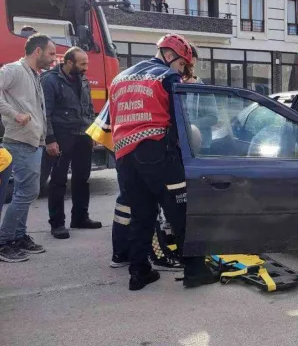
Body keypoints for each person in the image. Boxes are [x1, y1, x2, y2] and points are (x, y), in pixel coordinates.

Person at [109, 33, 217, 290]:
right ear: (169, 56)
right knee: (181, 212)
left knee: (141, 214)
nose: (182, 71)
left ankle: (139, 272)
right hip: (157, 153)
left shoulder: (120, 78)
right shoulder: (166, 77)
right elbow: (179, 121)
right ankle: (194, 270)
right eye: (181, 64)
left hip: (124, 155)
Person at [0, 34, 54, 263]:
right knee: (27, 192)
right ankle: (4, 241)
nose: (54, 58)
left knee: (27, 191)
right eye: (51, 53)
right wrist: (14, 114)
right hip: (19, 140)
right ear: (37, 51)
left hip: (33, 141)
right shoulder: (13, 70)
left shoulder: (34, 75)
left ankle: (18, 237)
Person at [41, 47, 102, 239]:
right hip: (62, 136)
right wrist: (50, 139)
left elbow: (89, 108)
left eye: (87, 63)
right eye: (82, 63)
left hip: (83, 135)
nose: (86, 67)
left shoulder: (83, 79)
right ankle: (57, 224)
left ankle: (80, 217)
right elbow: (46, 113)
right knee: (58, 181)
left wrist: (92, 133)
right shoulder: (50, 80)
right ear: (69, 62)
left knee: (82, 178)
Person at [183, 44, 218, 152]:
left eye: (192, 66)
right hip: (178, 145)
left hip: (201, 145)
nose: (188, 70)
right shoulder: (173, 86)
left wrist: (188, 126)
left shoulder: (203, 90)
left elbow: (213, 117)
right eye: (185, 65)